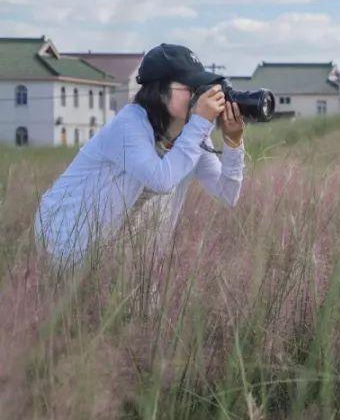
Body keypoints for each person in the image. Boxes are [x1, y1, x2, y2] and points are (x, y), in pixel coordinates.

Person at [35, 44, 246, 268]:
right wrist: (200, 123)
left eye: (200, 88)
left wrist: (233, 141)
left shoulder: (192, 133)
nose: (198, 96)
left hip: (128, 256)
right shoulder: (129, 124)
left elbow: (227, 194)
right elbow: (161, 179)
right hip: (68, 241)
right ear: (160, 90)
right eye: (190, 88)